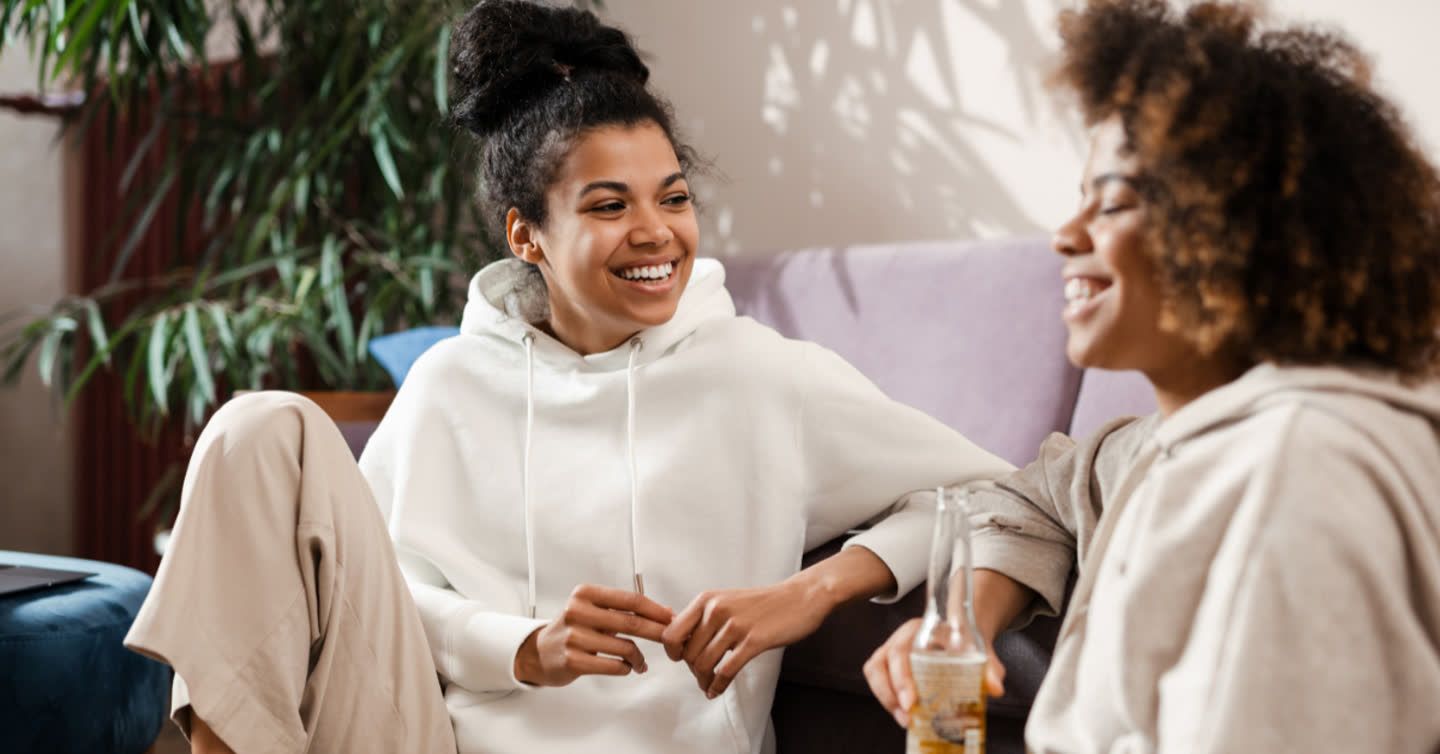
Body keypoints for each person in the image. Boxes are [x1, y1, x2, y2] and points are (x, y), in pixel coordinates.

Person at [123, 2, 1012, 752]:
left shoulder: (763, 378)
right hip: (431, 735)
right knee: (258, 427)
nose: (657, 232)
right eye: (608, 205)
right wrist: (523, 647)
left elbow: (998, 495)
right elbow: (380, 598)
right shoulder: (450, 383)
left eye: (672, 197)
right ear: (525, 236)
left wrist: (812, 590)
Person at [865, 1, 1440, 751]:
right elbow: (1039, 493)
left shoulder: (1293, 475)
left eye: (1115, 203)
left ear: (1237, 232)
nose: (1065, 236)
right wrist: (963, 621)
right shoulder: (1175, 441)